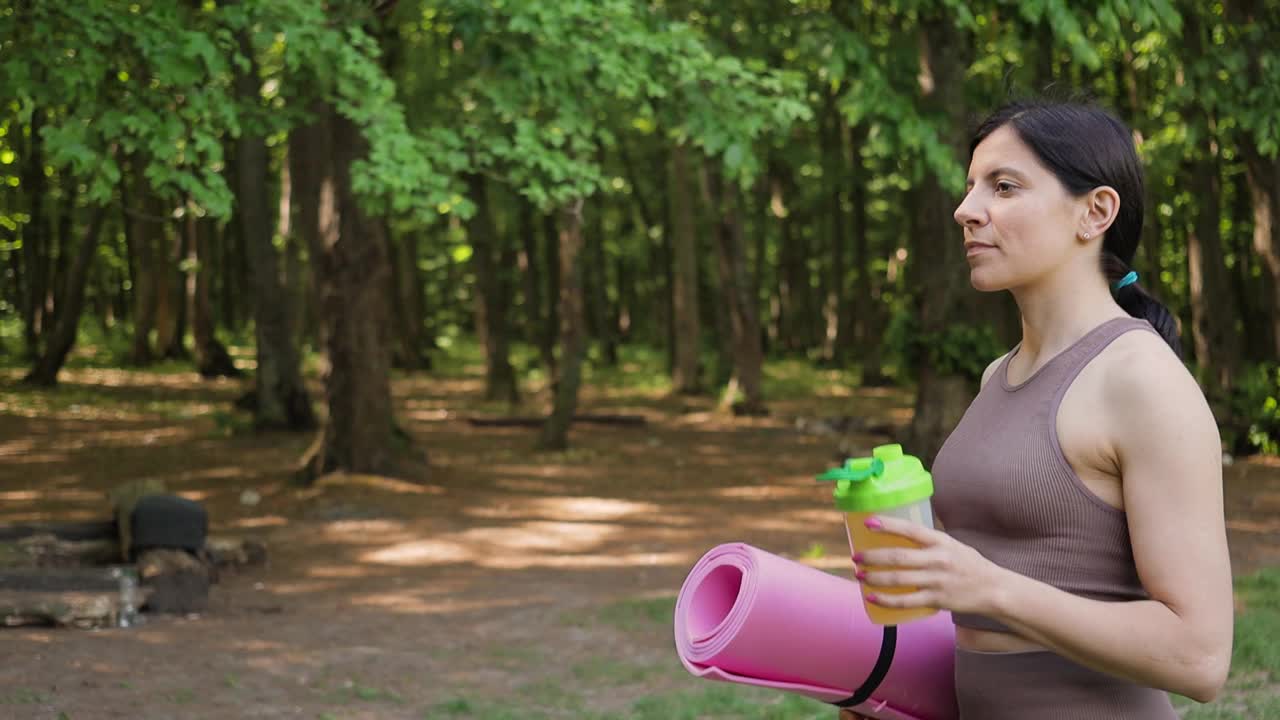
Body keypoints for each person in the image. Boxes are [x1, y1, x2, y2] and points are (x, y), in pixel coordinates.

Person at [840, 99, 1233, 719]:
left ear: (1095, 212)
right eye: (970, 187)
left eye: (1003, 186)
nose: (966, 211)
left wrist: (990, 587)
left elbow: (1201, 659)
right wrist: (878, 688)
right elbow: (980, 620)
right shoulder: (1000, 373)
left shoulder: (1143, 381)